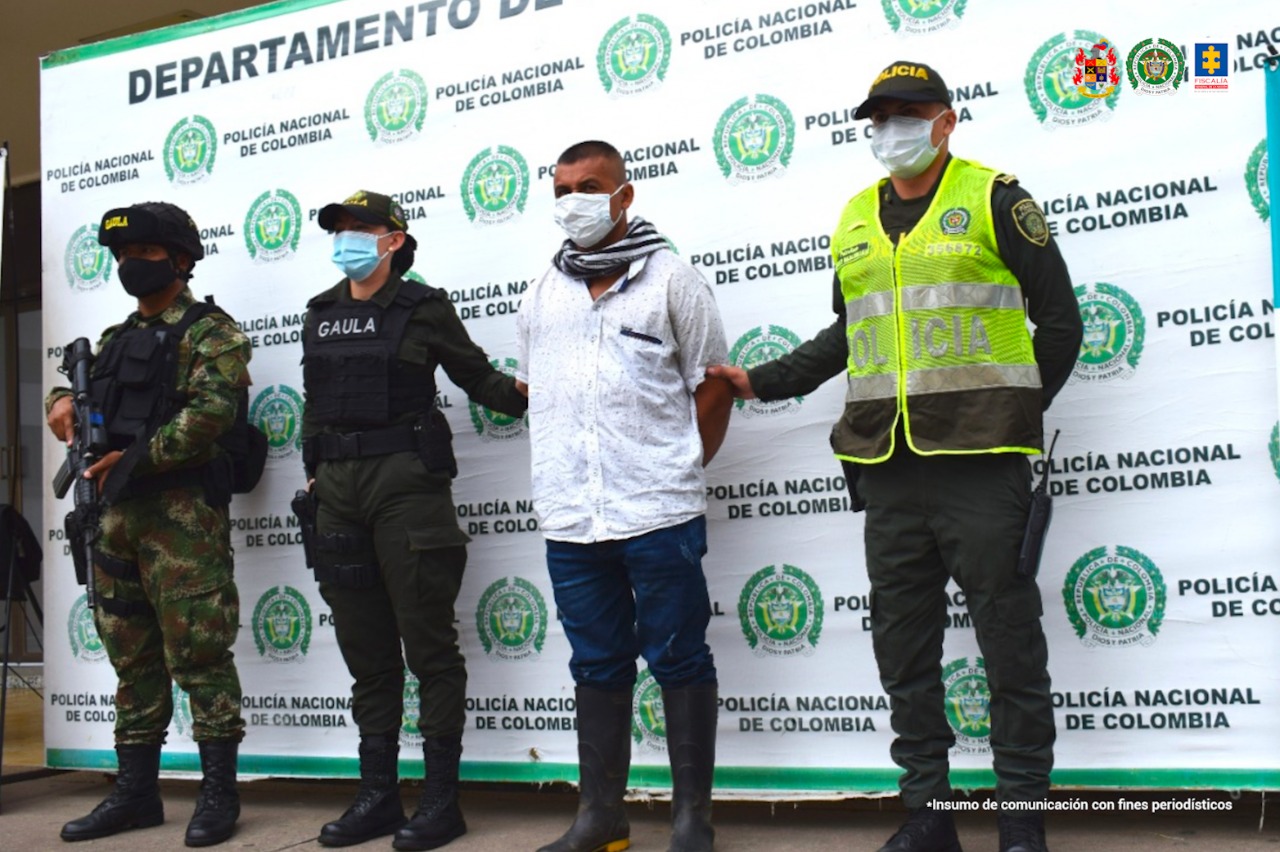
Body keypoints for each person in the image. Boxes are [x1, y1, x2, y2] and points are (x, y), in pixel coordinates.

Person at [709, 62, 1083, 852]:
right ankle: (928, 815)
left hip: (982, 464)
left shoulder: (996, 198)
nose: (892, 129)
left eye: (909, 113)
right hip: (887, 467)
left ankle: (1021, 820)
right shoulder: (854, 217)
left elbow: (1060, 322)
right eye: (879, 117)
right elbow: (851, 332)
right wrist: (762, 380)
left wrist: (1015, 408)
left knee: (1009, 642)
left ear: (946, 121)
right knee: (903, 647)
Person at [516, 141, 733, 852]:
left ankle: (691, 821)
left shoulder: (671, 279)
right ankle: (601, 819)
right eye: (562, 189)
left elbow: (713, 385)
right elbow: (537, 392)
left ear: (624, 195)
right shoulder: (542, 292)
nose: (573, 200)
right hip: (572, 519)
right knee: (596, 664)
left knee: (680, 657)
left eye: (590, 186)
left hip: (658, 513)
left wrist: (680, 466)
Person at [301, 190, 527, 851]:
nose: (345, 238)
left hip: (406, 485)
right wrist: (314, 471)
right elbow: (315, 404)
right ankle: (377, 797)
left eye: (360, 228)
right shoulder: (320, 313)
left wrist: (536, 391)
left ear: (393, 239)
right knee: (366, 652)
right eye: (338, 229)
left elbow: (479, 379)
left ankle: (439, 802)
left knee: (428, 647)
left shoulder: (424, 307)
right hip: (337, 490)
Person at [47, 202, 252, 847]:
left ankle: (219, 794)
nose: (130, 265)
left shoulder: (211, 331)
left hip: (180, 520)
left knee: (200, 656)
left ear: (181, 260)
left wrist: (134, 459)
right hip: (114, 520)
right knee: (132, 660)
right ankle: (136, 793)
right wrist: (60, 402)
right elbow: (82, 399)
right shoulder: (111, 341)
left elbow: (211, 413)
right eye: (122, 256)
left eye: (144, 253)